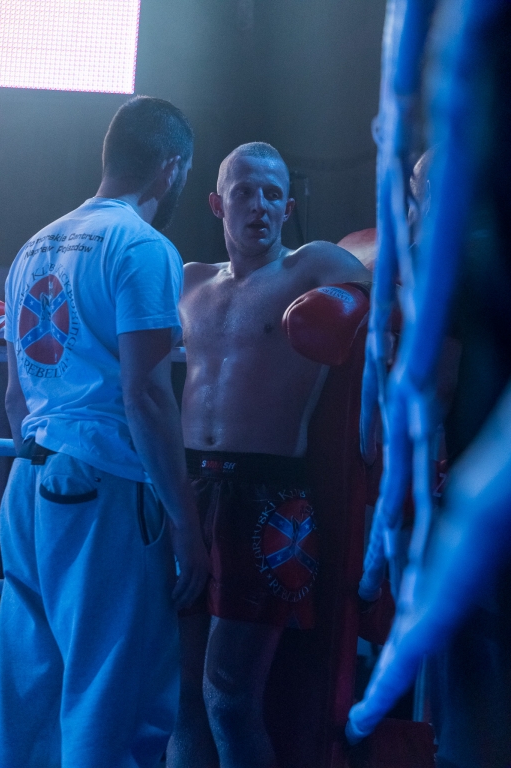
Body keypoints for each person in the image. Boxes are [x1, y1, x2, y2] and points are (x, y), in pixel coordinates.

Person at [0, 96, 209, 768]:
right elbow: (146, 396)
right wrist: (184, 524)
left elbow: (14, 396)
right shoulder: (142, 247)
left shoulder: (34, 247)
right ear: (171, 167)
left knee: (32, 697)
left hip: (27, 485)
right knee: (110, 696)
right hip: (102, 486)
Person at [169, 142, 370, 768]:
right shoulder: (189, 281)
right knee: (181, 698)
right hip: (187, 489)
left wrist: (353, 303)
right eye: (244, 192)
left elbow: (391, 283)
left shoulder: (313, 266)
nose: (259, 205)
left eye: (273, 194)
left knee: (229, 698)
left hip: (267, 495)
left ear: (287, 208)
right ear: (217, 204)